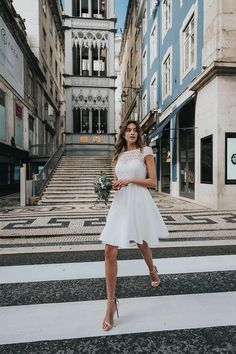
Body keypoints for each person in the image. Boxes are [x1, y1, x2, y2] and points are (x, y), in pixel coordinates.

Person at [99, 120, 169, 331]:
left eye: (135, 130)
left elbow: (152, 182)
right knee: (109, 250)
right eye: (128, 130)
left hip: (139, 200)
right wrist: (111, 185)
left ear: (138, 134)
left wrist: (129, 179)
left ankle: (152, 270)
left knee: (142, 243)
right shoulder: (118, 156)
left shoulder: (144, 151)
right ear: (122, 134)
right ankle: (111, 305)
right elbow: (118, 180)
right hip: (120, 203)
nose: (131, 133)